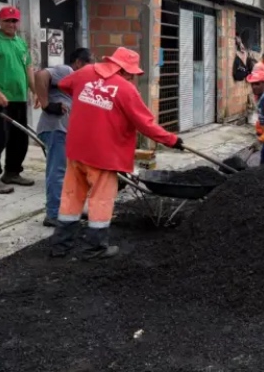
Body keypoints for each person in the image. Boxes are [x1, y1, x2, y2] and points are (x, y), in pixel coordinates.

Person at [50, 47, 182, 260]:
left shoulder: (84, 73)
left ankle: (61, 245)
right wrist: (172, 140)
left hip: (76, 149)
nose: (132, 77)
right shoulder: (126, 90)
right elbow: (145, 124)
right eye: (131, 73)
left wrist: (90, 99)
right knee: (101, 200)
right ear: (123, 69)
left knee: (71, 197)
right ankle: (95, 247)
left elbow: (65, 85)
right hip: (104, 155)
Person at [0, 6, 37, 194]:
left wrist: (36, 92)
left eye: (14, 21)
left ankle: (12, 172)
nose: (11, 24)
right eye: (7, 20)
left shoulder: (20, 42)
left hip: (19, 98)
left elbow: (29, 70)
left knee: (19, 139)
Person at [35, 48, 94, 228]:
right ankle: (53, 214)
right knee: (57, 172)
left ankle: (70, 209)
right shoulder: (66, 71)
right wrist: (46, 104)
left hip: (66, 132)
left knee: (73, 173)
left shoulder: (79, 82)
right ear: (78, 63)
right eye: (89, 65)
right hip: (55, 130)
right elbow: (40, 75)